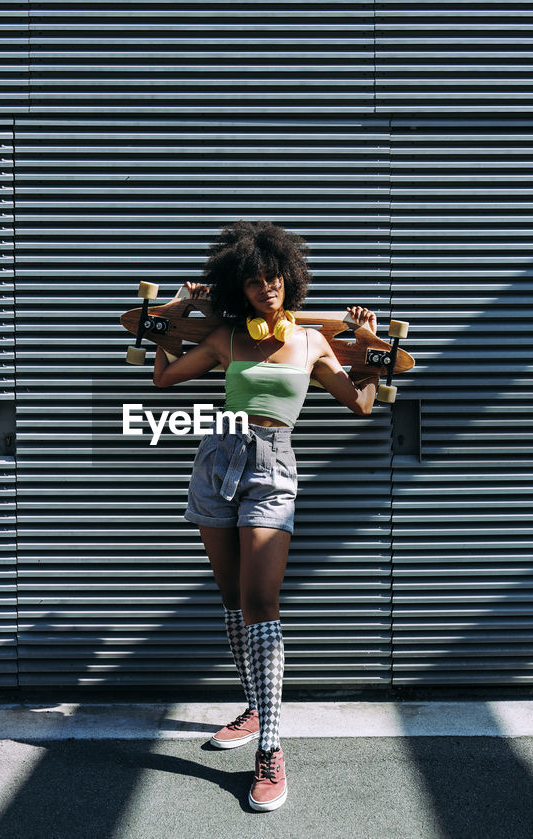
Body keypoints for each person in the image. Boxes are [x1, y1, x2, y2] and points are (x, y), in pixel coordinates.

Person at [151, 220, 378, 812]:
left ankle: (271, 746)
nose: (266, 289)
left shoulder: (311, 342)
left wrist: (372, 351)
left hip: (273, 466)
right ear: (240, 290)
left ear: (290, 280)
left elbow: (358, 403)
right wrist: (177, 309)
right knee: (231, 596)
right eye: (253, 283)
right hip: (216, 455)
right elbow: (163, 375)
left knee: (262, 601)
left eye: (274, 278)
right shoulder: (226, 337)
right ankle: (256, 706)